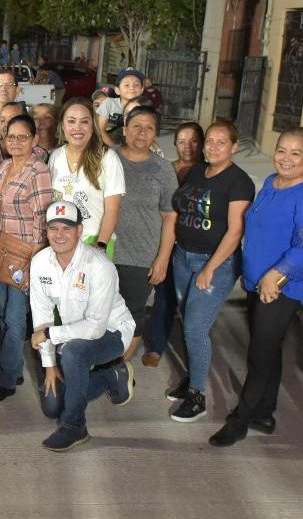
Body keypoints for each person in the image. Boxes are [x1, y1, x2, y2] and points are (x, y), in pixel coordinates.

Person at [209, 128, 303, 447]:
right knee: (269, 348)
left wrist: (275, 276)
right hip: (256, 281)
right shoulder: (270, 184)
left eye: (295, 153)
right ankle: (265, 411)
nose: (286, 158)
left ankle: (241, 419)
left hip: (280, 287)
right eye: (282, 150)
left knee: (259, 354)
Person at [29, 200, 136, 451]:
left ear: (80, 231)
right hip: (70, 333)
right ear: (46, 231)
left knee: (73, 352)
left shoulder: (100, 266)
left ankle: (75, 427)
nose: (59, 235)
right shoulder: (41, 262)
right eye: (53, 228)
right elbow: (41, 313)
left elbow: (95, 328)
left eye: (67, 228)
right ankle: (111, 376)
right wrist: (49, 366)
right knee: (53, 405)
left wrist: (48, 334)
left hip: (113, 332)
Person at [169, 121, 255, 423]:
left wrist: (210, 267)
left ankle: (197, 394)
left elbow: (235, 232)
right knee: (187, 321)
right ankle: (193, 375)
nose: (213, 147)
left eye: (222, 142)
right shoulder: (195, 171)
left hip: (215, 263)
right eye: (210, 141)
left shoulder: (239, 182)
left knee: (194, 327)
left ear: (234, 146)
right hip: (182, 257)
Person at [0, 114, 53, 403]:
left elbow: (44, 221)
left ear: (34, 140)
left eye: (23, 137)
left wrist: (34, 262)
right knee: (6, 317)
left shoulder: (39, 171)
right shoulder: (6, 165)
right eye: (12, 137)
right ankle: (14, 369)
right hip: (3, 251)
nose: (17, 142)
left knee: (14, 318)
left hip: (25, 254)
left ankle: (7, 380)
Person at [112, 107, 178, 362]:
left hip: (141, 256)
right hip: (104, 251)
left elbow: (170, 216)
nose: (141, 132)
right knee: (100, 311)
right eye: (136, 126)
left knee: (133, 313)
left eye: (149, 128)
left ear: (156, 135)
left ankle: (121, 365)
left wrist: (162, 259)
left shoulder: (162, 169)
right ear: (125, 129)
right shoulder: (109, 159)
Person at [144, 122, 204, 367]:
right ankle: (156, 347)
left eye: (193, 141)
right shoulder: (166, 169)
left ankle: (195, 353)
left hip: (196, 247)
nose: (187, 147)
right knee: (164, 297)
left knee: (194, 303)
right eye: (181, 141)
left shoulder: (209, 172)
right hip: (167, 241)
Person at [49, 98, 125, 255]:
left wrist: (101, 245)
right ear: (63, 126)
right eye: (71, 121)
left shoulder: (108, 158)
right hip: (60, 242)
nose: (77, 128)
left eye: (84, 122)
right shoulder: (55, 156)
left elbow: (113, 209)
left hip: (94, 242)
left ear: (92, 127)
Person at [96, 67, 145, 146]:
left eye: (136, 85)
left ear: (142, 89)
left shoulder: (143, 108)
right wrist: (114, 149)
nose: (132, 87)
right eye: (126, 85)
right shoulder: (109, 103)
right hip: (105, 144)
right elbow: (100, 130)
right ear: (117, 90)